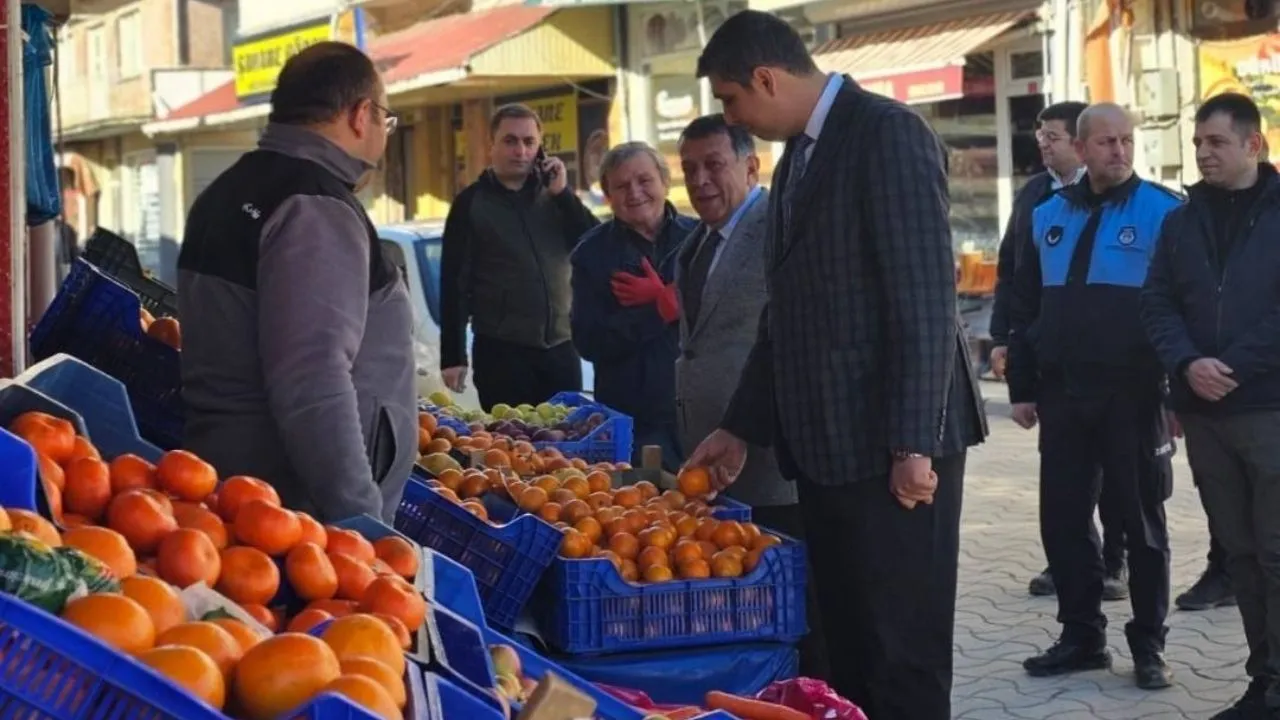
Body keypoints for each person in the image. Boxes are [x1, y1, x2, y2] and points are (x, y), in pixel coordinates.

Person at [685, 12, 988, 720]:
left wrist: (913, 443)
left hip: (894, 452)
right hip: (827, 451)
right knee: (848, 650)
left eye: (732, 101)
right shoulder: (800, 157)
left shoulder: (886, 134)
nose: (732, 117)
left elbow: (922, 300)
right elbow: (785, 317)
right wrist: (739, 427)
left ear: (765, 77)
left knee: (901, 654)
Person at [177, 42, 416, 524]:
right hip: (295, 515)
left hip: (241, 488)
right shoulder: (314, 206)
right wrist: (360, 519)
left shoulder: (227, 190)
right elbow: (312, 375)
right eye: (385, 120)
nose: (383, 134)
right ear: (360, 115)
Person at [1007, 103, 1181, 689]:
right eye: (1106, 142)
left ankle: (1150, 645)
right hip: (1063, 394)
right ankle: (1082, 635)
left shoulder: (1163, 211)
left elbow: (1183, 308)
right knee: (1063, 518)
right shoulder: (1048, 213)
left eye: (1126, 141)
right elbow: (1026, 304)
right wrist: (1023, 387)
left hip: (1133, 394)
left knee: (1142, 522)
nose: (1120, 152)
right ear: (1080, 150)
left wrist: (1176, 392)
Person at [673, 113, 829, 680]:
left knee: (797, 603)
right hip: (714, 458)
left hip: (770, 457)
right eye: (689, 168)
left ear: (750, 164)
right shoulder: (696, 243)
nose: (700, 179)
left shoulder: (776, 229)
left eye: (713, 164)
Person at [1141, 92, 1280, 718]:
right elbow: (1157, 303)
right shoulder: (1180, 220)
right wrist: (1186, 364)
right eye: (1198, 142)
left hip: (1270, 409)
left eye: (1216, 142)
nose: (1203, 152)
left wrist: (1233, 367)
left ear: (1254, 144)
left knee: (1278, 552)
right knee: (1241, 553)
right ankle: (1263, 681)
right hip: (1205, 415)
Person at [990, 101, 1131, 601]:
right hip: (1055, 366)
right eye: (1039, 134)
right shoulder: (1035, 196)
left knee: (1118, 480)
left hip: (1118, 376)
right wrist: (1005, 339)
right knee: (1065, 485)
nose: (1042, 143)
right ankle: (1072, 567)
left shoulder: (1130, 201)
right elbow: (1015, 272)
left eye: (1052, 135)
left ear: (1079, 143)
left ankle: (1116, 562)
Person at [440, 104, 600, 410]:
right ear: (492, 146)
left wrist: (563, 194)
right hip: (502, 353)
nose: (521, 151)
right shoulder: (471, 203)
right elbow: (454, 283)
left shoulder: (556, 197)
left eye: (529, 142)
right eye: (510, 141)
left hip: (561, 350)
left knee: (564, 450)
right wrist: (453, 356)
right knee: (510, 451)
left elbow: (596, 244)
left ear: (541, 149)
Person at [571, 142, 696, 471]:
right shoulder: (592, 254)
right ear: (608, 196)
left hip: (700, 412)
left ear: (664, 181)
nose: (635, 192)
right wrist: (658, 312)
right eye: (622, 186)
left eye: (644, 180)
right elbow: (589, 341)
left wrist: (674, 297)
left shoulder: (700, 237)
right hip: (635, 420)